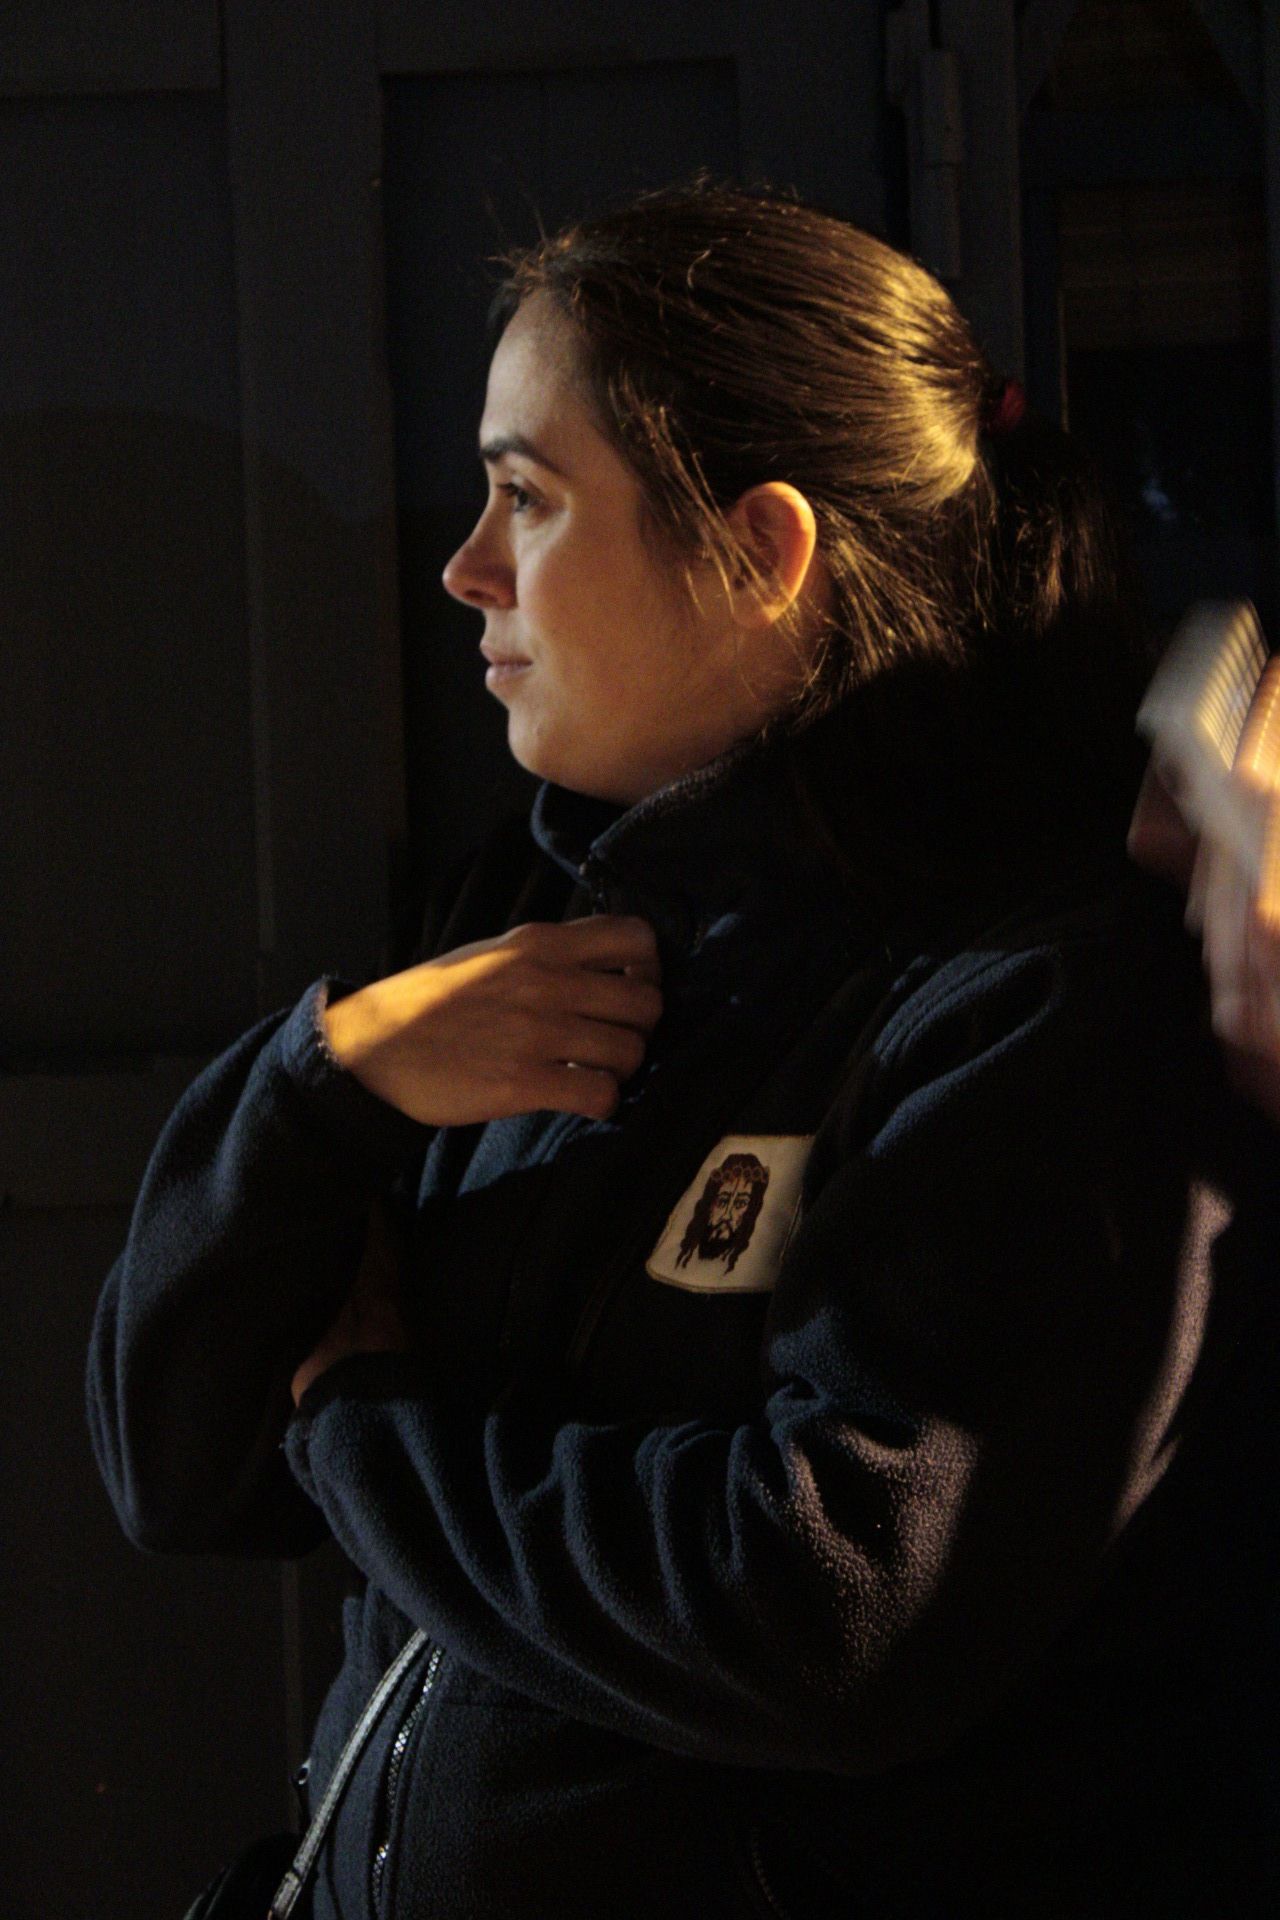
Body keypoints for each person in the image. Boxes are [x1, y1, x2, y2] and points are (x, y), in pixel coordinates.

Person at [87, 184, 1278, 1918]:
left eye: (529, 496)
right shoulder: (533, 933)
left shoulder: (1031, 1008)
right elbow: (182, 1473)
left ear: (764, 555)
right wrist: (317, 1089)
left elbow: (835, 1608)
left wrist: (362, 1426)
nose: (465, 567)